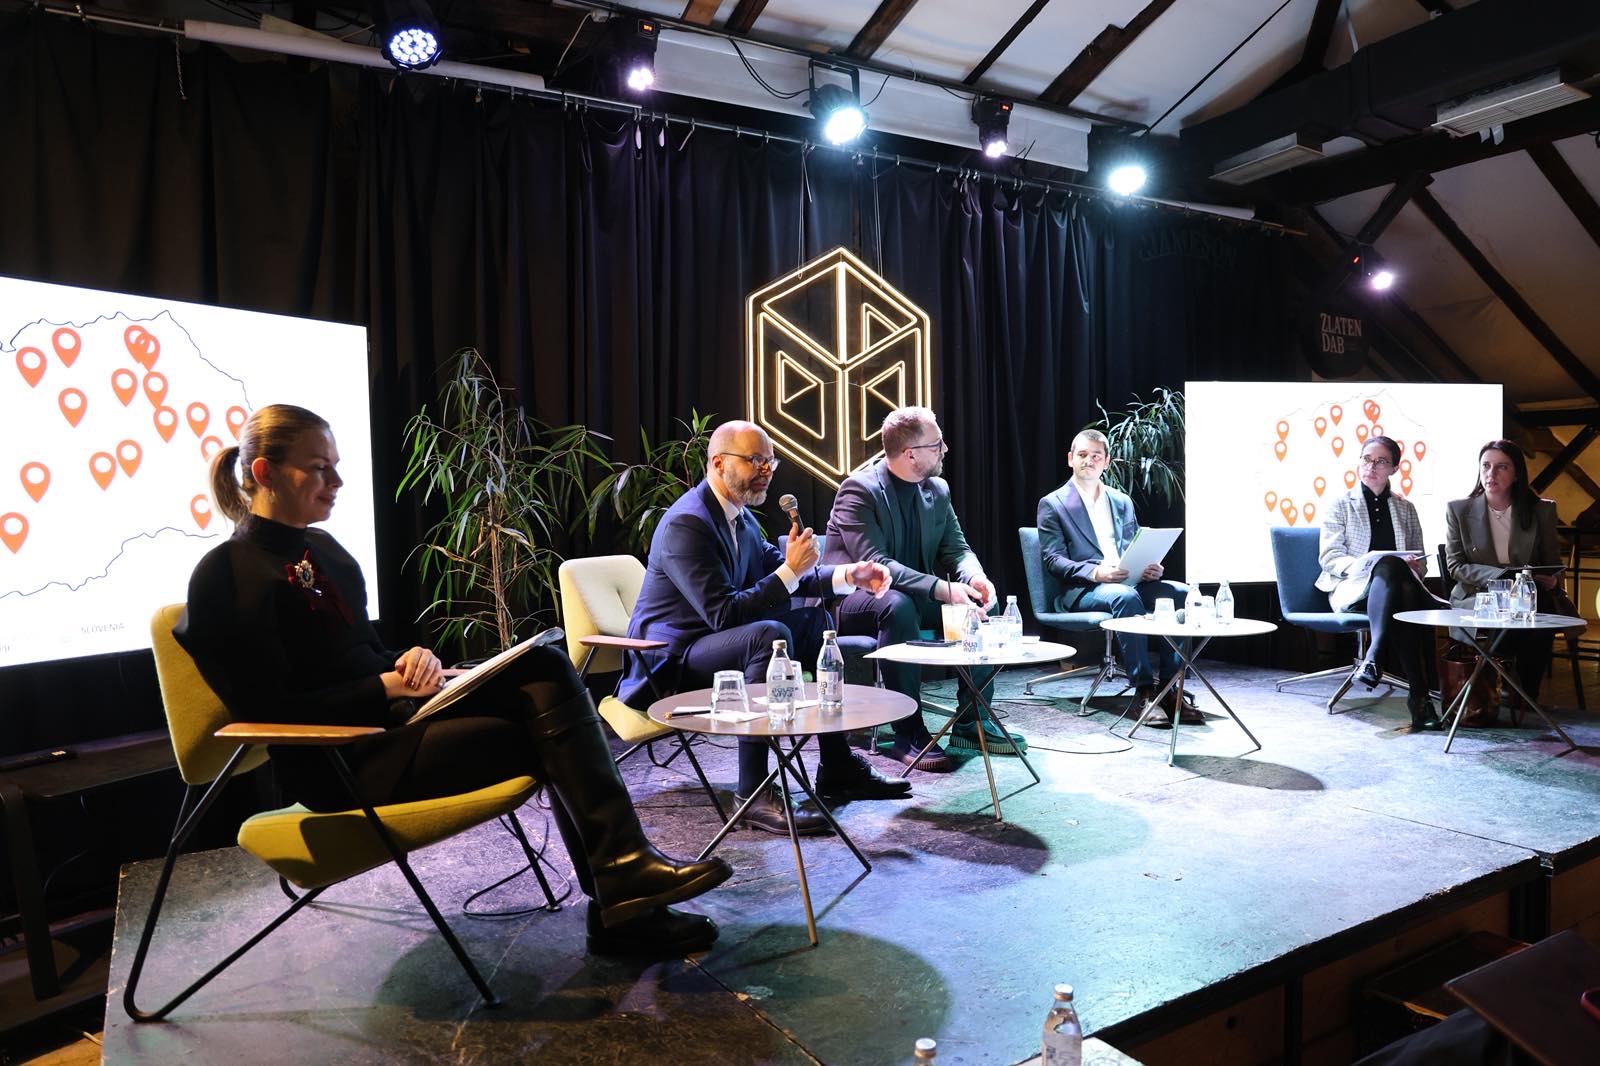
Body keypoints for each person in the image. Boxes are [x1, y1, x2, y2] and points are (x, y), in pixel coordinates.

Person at [176, 404, 731, 959]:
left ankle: (625, 885)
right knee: (548, 735)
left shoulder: (324, 552)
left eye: (335, 466)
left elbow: (363, 656)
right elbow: (270, 711)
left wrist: (409, 661)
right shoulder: (224, 574)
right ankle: (624, 899)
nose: (337, 481)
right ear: (266, 473)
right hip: (339, 765)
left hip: (391, 729)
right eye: (320, 468)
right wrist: (386, 688)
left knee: (543, 667)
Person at [616, 420, 905, 836]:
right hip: (669, 663)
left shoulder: (741, 518)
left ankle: (837, 766)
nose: (766, 470)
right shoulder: (687, 523)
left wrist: (850, 575)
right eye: (754, 460)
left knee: (815, 623)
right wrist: (790, 570)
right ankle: (752, 793)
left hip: (713, 645)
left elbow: (787, 573)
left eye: (770, 461)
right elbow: (724, 614)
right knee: (769, 636)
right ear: (718, 462)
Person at [822, 405, 1021, 770]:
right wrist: (942, 589)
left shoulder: (937, 489)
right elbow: (876, 564)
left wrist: (973, 578)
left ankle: (972, 721)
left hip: (914, 595)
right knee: (897, 605)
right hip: (853, 601)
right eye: (937, 444)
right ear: (910, 453)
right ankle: (908, 731)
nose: (945, 449)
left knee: (978, 606)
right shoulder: (859, 490)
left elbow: (956, 548)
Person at [1037, 429, 1198, 727]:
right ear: (1070, 459)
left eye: (1096, 456)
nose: (1089, 461)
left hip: (1130, 581)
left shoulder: (1121, 501)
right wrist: (1097, 572)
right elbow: (1053, 561)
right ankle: (1143, 690)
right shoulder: (1053, 503)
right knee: (1125, 597)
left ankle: (1170, 689)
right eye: (1082, 455)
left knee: (1181, 593)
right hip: (1086, 589)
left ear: (1106, 461)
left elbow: (1132, 545)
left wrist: (1150, 566)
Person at [1316, 434, 1444, 731]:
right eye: (1366, 459)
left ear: (1395, 469)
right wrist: (1365, 564)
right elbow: (1330, 557)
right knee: (1390, 570)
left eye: (1381, 461)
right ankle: (1420, 697)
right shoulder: (1340, 504)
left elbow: (1421, 561)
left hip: (1397, 590)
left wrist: (1414, 566)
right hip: (1354, 587)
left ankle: (1375, 659)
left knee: (1398, 577)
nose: (1371, 467)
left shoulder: (1406, 508)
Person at [1444, 439, 1562, 716]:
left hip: (1528, 594)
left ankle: (1526, 693)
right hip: (1478, 594)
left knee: (1538, 606)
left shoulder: (1541, 510)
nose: (1491, 473)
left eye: (1501, 467)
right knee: (1504, 607)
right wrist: (1502, 577)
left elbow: (1552, 562)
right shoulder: (1459, 510)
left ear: (1517, 474)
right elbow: (1455, 566)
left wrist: (1552, 579)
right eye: (1486, 466)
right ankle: (1505, 684)